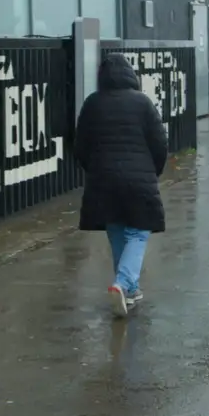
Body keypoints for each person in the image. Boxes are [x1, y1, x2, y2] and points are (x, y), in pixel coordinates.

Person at [75, 53, 168, 318]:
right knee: (138, 233)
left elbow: (80, 145)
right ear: (130, 74)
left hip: (102, 180)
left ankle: (130, 290)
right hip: (139, 179)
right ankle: (122, 283)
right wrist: (153, 172)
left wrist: (92, 170)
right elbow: (159, 143)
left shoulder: (92, 104)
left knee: (116, 230)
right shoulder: (143, 103)